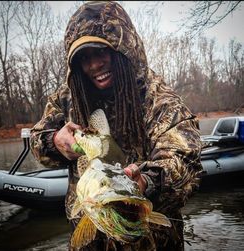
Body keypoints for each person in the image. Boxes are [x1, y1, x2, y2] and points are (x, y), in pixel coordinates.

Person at [30, 1, 202, 250]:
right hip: (89, 240)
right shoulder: (67, 97)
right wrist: (53, 141)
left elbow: (183, 157)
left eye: (101, 52)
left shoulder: (158, 99)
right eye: (84, 58)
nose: (94, 65)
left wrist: (145, 181)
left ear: (123, 50)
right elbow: (38, 138)